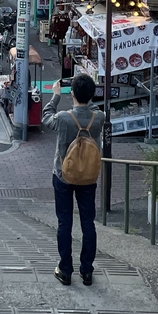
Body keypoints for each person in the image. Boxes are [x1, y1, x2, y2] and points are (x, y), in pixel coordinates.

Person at [43, 74, 105, 286]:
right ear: (91, 94)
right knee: (88, 222)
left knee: (64, 222)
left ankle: (65, 269)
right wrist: (87, 96)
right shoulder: (99, 118)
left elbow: (46, 117)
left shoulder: (63, 118)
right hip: (88, 177)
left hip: (63, 175)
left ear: (72, 93)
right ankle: (86, 270)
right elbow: (94, 109)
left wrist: (56, 96)